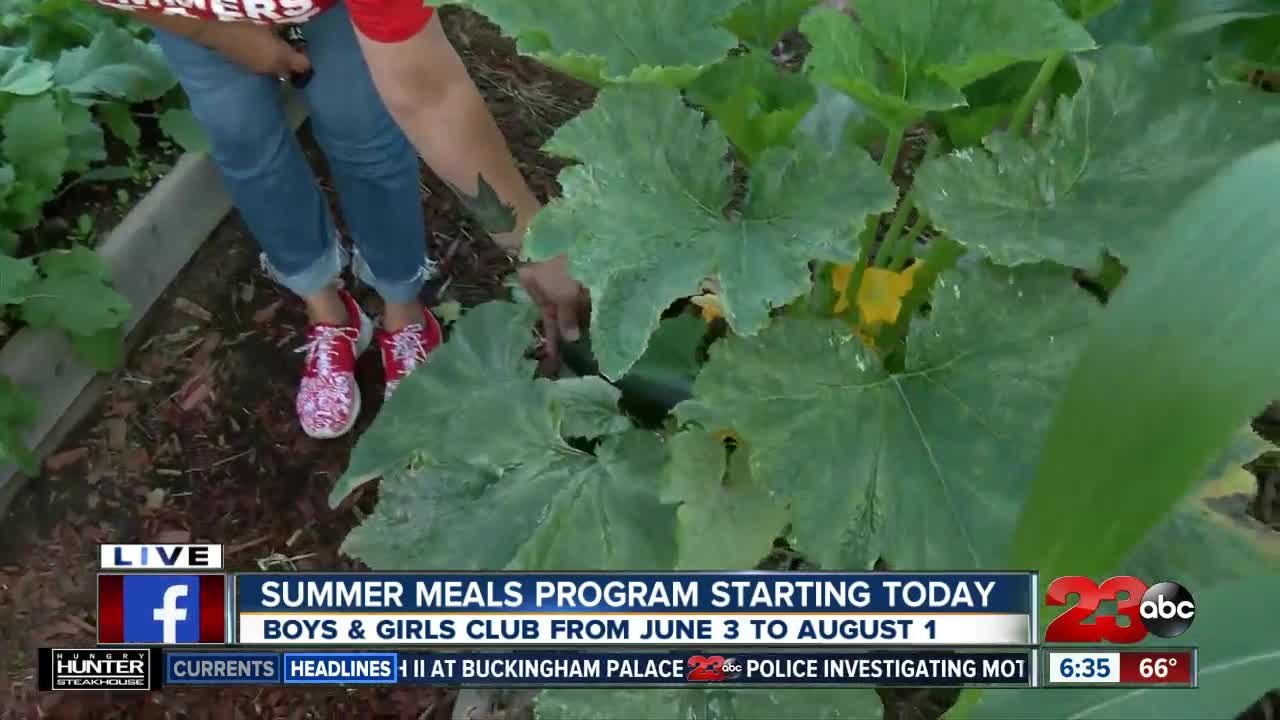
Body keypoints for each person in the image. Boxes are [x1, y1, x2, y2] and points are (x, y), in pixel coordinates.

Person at [90, 0, 586, 439]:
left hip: (332, 12)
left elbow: (428, 93)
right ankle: (328, 311)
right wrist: (214, 33)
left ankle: (403, 307)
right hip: (190, 17)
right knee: (243, 142)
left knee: (364, 132)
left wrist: (533, 242)